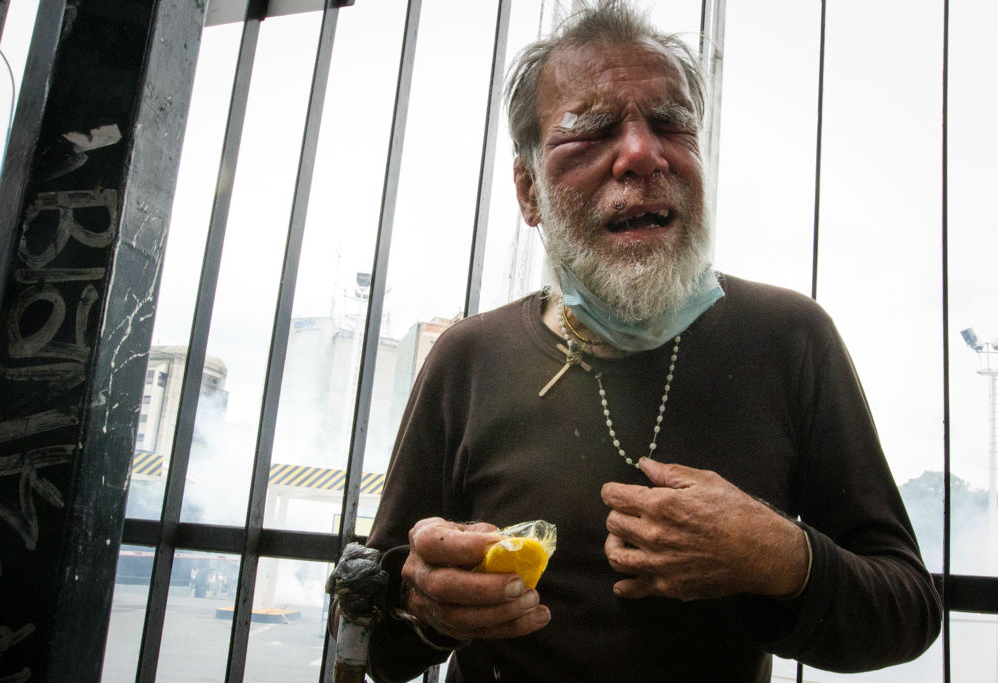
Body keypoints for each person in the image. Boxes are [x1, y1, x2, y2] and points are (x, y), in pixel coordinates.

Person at [359, 2, 941, 681]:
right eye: (592, 130)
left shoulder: (791, 339)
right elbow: (375, 643)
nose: (642, 153)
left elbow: (907, 611)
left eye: (671, 123)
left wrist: (781, 556)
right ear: (529, 190)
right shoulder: (468, 358)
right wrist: (417, 601)